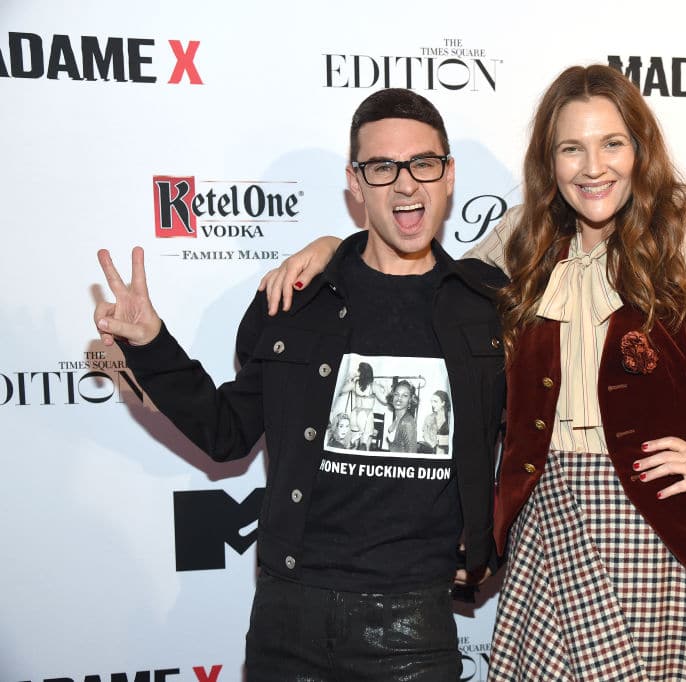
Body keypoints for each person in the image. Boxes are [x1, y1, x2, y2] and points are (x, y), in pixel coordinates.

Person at [261, 65, 686, 681]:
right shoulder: (525, 240)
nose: (593, 166)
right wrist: (334, 245)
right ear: (550, 162)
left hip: (657, 534)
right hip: (546, 522)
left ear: (639, 151)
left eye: (612, 144)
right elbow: (421, 284)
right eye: (572, 148)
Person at [94, 88, 507, 681]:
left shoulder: (487, 307)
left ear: (447, 176)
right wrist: (151, 343)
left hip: (416, 623)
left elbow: (531, 446)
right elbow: (226, 432)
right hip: (288, 617)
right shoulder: (293, 299)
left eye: (424, 163)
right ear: (354, 183)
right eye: (382, 166)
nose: (406, 183)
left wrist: (489, 543)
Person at [384, 379, 419, 453]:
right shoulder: (398, 417)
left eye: (405, 396)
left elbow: (411, 454)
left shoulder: (407, 423)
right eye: (396, 394)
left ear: (410, 400)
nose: (399, 398)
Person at [418, 390, 451, 455]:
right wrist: (433, 446)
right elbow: (425, 435)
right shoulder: (429, 418)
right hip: (432, 451)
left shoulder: (450, 417)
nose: (432, 404)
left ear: (443, 403)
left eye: (435, 402)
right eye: (431, 401)